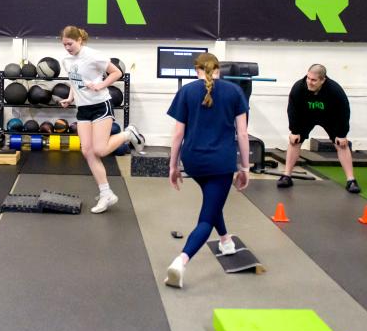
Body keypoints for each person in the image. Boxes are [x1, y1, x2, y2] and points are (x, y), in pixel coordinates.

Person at [164, 53, 249, 288]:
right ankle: (181, 261)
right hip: (221, 162)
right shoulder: (235, 92)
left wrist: (173, 165)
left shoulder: (187, 91)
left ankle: (225, 240)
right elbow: (242, 134)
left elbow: (177, 134)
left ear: (196, 70)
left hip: (194, 160)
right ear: (218, 69)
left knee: (213, 200)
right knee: (207, 217)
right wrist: (245, 166)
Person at [59, 25, 145, 214]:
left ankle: (128, 134)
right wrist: (70, 98)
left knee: (100, 149)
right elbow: (75, 81)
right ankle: (106, 194)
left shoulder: (93, 55)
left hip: (100, 105)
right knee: (88, 151)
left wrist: (101, 85)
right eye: (64, 44)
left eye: (70, 44)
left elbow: (116, 73)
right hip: (83, 108)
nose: (67, 48)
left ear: (79, 40)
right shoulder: (66, 60)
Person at [278, 64, 361, 193]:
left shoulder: (335, 90)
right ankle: (287, 175)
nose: (309, 82)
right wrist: (294, 131)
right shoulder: (299, 87)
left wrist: (342, 134)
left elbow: (344, 111)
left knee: (342, 144)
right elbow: (292, 109)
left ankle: (351, 180)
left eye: (313, 80)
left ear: (323, 80)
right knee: (294, 141)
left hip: (329, 116)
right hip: (306, 116)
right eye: (308, 78)